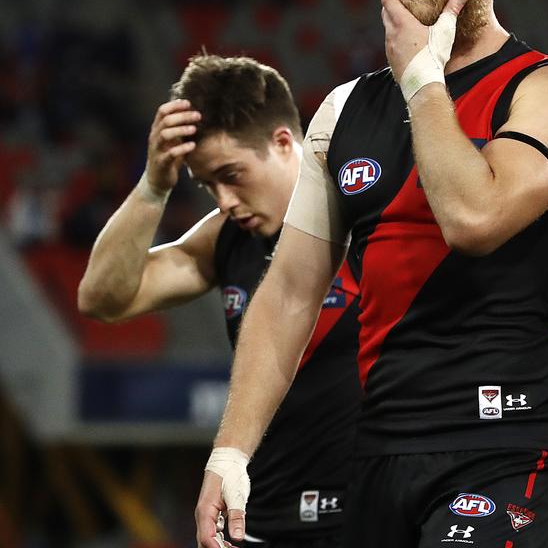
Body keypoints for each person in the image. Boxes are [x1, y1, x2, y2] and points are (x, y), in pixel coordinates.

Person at [193, 0, 548, 548]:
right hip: (377, 452)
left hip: (501, 448)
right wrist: (230, 454)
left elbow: (474, 218)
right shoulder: (344, 110)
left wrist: (422, 79)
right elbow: (290, 292)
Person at [78, 55, 360, 547]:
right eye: (208, 185)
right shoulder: (224, 238)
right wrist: (153, 186)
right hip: (261, 520)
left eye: (232, 174)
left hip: (369, 515)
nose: (224, 200)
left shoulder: (367, 217)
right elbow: (103, 297)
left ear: (283, 143)